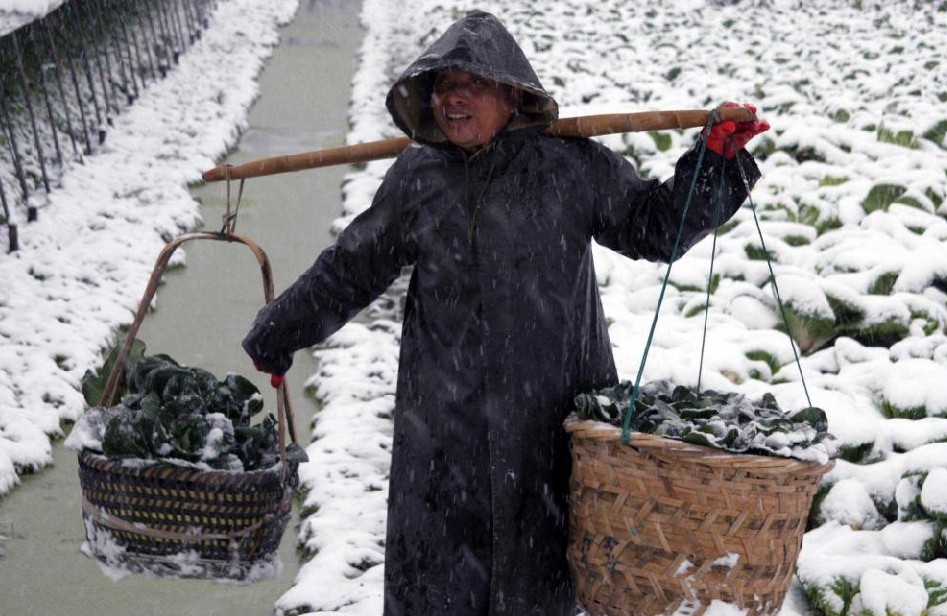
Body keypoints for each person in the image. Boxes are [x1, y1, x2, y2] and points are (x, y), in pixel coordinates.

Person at [242, 10, 768, 616]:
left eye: (472, 84)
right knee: (438, 589)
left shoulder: (569, 166)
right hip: (443, 431)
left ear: (514, 94)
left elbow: (655, 228)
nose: (453, 99)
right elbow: (351, 267)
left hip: (546, 425)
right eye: (443, 86)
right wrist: (279, 332)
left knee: (537, 585)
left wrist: (714, 165)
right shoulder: (421, 177)